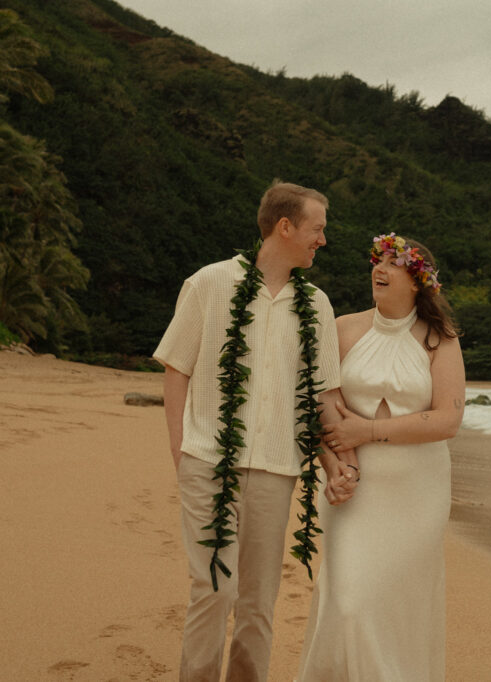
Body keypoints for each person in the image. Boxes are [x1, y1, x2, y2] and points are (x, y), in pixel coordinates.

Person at [154, 181, 358, 682]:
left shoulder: (317, 305)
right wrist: (181, 451)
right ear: (285, 226)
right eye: (317, 229)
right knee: (214, 588)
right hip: (208, 462)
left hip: (276, 468)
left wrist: (341, 463)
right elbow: (177, 367)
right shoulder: (208, 283)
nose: (323, 240)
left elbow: (324, 397)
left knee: (259, 601)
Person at [297, 233, 465, 681]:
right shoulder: (342, 329)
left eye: (394, 263)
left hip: (418, 492)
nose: (381, 268)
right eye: (379, 260)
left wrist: (368, 430)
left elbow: (448, 419)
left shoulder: (439, 339)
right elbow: (323, 403)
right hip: (355, 487)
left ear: (417, 281)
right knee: (349, 602)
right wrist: (340, 463)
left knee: (397, 603)